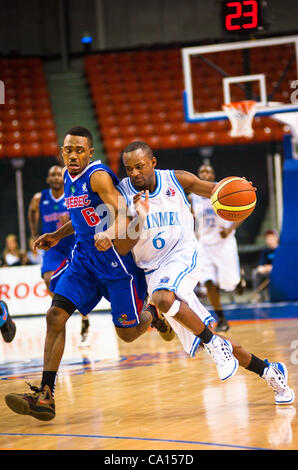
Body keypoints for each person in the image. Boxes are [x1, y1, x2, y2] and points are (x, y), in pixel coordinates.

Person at [95, 141, 294, 406]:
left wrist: (241, 189)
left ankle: (214, 345)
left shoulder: (176, 179)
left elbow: (216, 190)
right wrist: (139, 219)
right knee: (209, 335)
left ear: (153, 162)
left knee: (163, 299)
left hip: (183, 256)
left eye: (140, 166)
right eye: (129, 168)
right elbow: (121, 247)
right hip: (152, 270)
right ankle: (270, 372)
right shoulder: (122, 195)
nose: (134, 173)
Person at [4, 126, 171, 422]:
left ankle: (154, 315)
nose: (73, 155)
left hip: (117, 265)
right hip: (83, 260)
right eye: (68, 150)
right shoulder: (70, 178)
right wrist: (57, 234)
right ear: (62, 153)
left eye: (79, 150)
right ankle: (45, 394)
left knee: (128, 334)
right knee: (55, 315)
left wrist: (108, 232)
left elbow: (124, 214)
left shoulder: (98, 175)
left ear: (90, 152)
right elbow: (81, 216)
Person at [27, 165, 90, 345]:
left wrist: (70, 220)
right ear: (48, 179)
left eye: (57, 174)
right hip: (52, 248)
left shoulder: (73, 195)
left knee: (79, 283)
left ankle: (84, 318)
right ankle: (62, 308)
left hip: (73, 243)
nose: (55, 177)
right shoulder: (39, 198)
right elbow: (32, 212)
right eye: (51, 174)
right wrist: (33, 233)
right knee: (48, 279)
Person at [188, 164, 245, 332]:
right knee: (208, 281)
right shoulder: (192, 197)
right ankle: (221, 319)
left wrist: (229, 229)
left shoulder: (226, 190)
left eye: (208, 171)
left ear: (214, 175)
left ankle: (238, 280)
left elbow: (242, 212)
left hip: (224, 243)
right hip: (204, 244)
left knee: (229, 283)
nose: (204, 173)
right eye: (201, 171)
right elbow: (190, 218)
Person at [251, 229, 279, 301]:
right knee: (256, 272)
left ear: (276, 238)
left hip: (278, 273)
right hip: (267, 273)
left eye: (271, 237)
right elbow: (261, 265)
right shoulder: (265, 251)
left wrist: (271, 267)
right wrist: (265, 268)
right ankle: (258, 296)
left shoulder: (281, 250)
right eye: (267, 238)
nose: (269, 240)